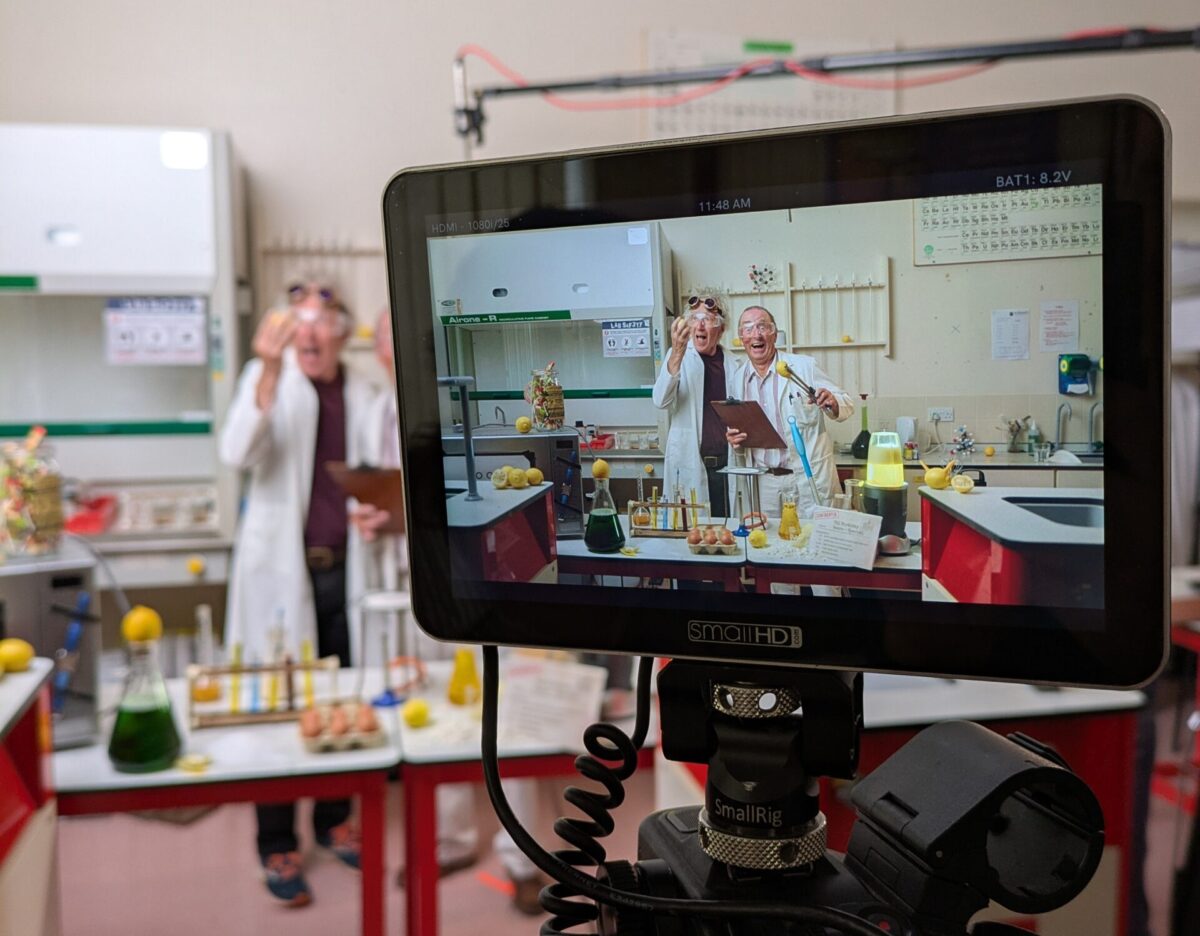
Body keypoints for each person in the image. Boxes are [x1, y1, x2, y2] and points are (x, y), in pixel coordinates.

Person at [352, 308, 547, 914]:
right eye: (386, 340)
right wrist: (369, 515)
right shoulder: (376, 411)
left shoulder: (458, 402)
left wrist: (413, 512)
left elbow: (492, 480)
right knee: (431, 704)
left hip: (475, 577)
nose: (397, 350)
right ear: (379, 351)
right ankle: (451, 838)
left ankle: (525, 859)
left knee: (506, 709)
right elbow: (376, 483)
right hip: (411, 578)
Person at [219, 281, 379, 907]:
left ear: (343, 333)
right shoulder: (269, 381)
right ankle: (276, 839)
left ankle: (334, 820)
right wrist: (265, 369)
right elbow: (237, 450)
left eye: (321, 322)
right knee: (276, 701)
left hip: (347, 568)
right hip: (280, 574)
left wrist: (381, 512)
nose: (309, 334)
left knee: (340, 692)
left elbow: (380, 475)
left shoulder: (363, 391)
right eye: (298, 323)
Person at [725, 306, 853, 585]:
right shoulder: (736, 378)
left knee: (823, 560)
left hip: (807, 478)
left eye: (762, 326)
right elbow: (740, 433)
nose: (756, 334)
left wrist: (832, 401)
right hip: (765, 484)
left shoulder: (802, 367)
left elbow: (846, 402)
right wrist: (734, 441)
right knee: (776, 562)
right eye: (748, 328)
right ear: (741, 337)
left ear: (774, 333)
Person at [652, 295, 739, 519]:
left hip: (727, 464)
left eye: (707, 319)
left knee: (726, 528)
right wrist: (677, 353)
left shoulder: (734, 364)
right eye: (694, 318)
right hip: (690, 461)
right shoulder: (677, 356)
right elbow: (660, 400)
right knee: (692, 529)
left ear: (721, 329)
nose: (699, 325)